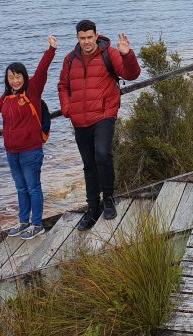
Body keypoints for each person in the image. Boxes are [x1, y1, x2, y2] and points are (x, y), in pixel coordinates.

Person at [58, 19, 141, 231]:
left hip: (104, 115)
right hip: (80, 120)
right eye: (82, 38)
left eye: (89, 37)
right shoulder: (69, 60)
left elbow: (131, 74)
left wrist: (127, 54)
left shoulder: (109, 53)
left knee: (103, 155)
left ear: (96, 35)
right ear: (78, 38)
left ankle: (109, 199)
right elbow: (63, 86)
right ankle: (93, 208)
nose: (86, 41)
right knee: (88, 165)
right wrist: (68, 108)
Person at [0, 36, 57, 240]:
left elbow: (42, 71)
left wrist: (51, 50)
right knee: (21, 188)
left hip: (31, 151)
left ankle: (37, 224)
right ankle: (23, 222)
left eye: (18, 76)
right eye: (11, 77)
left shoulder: (33, 91)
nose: (15, 80)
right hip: (12, 152)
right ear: (7, 79)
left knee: (33, 187)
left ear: (24, 77)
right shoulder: (8, 98)